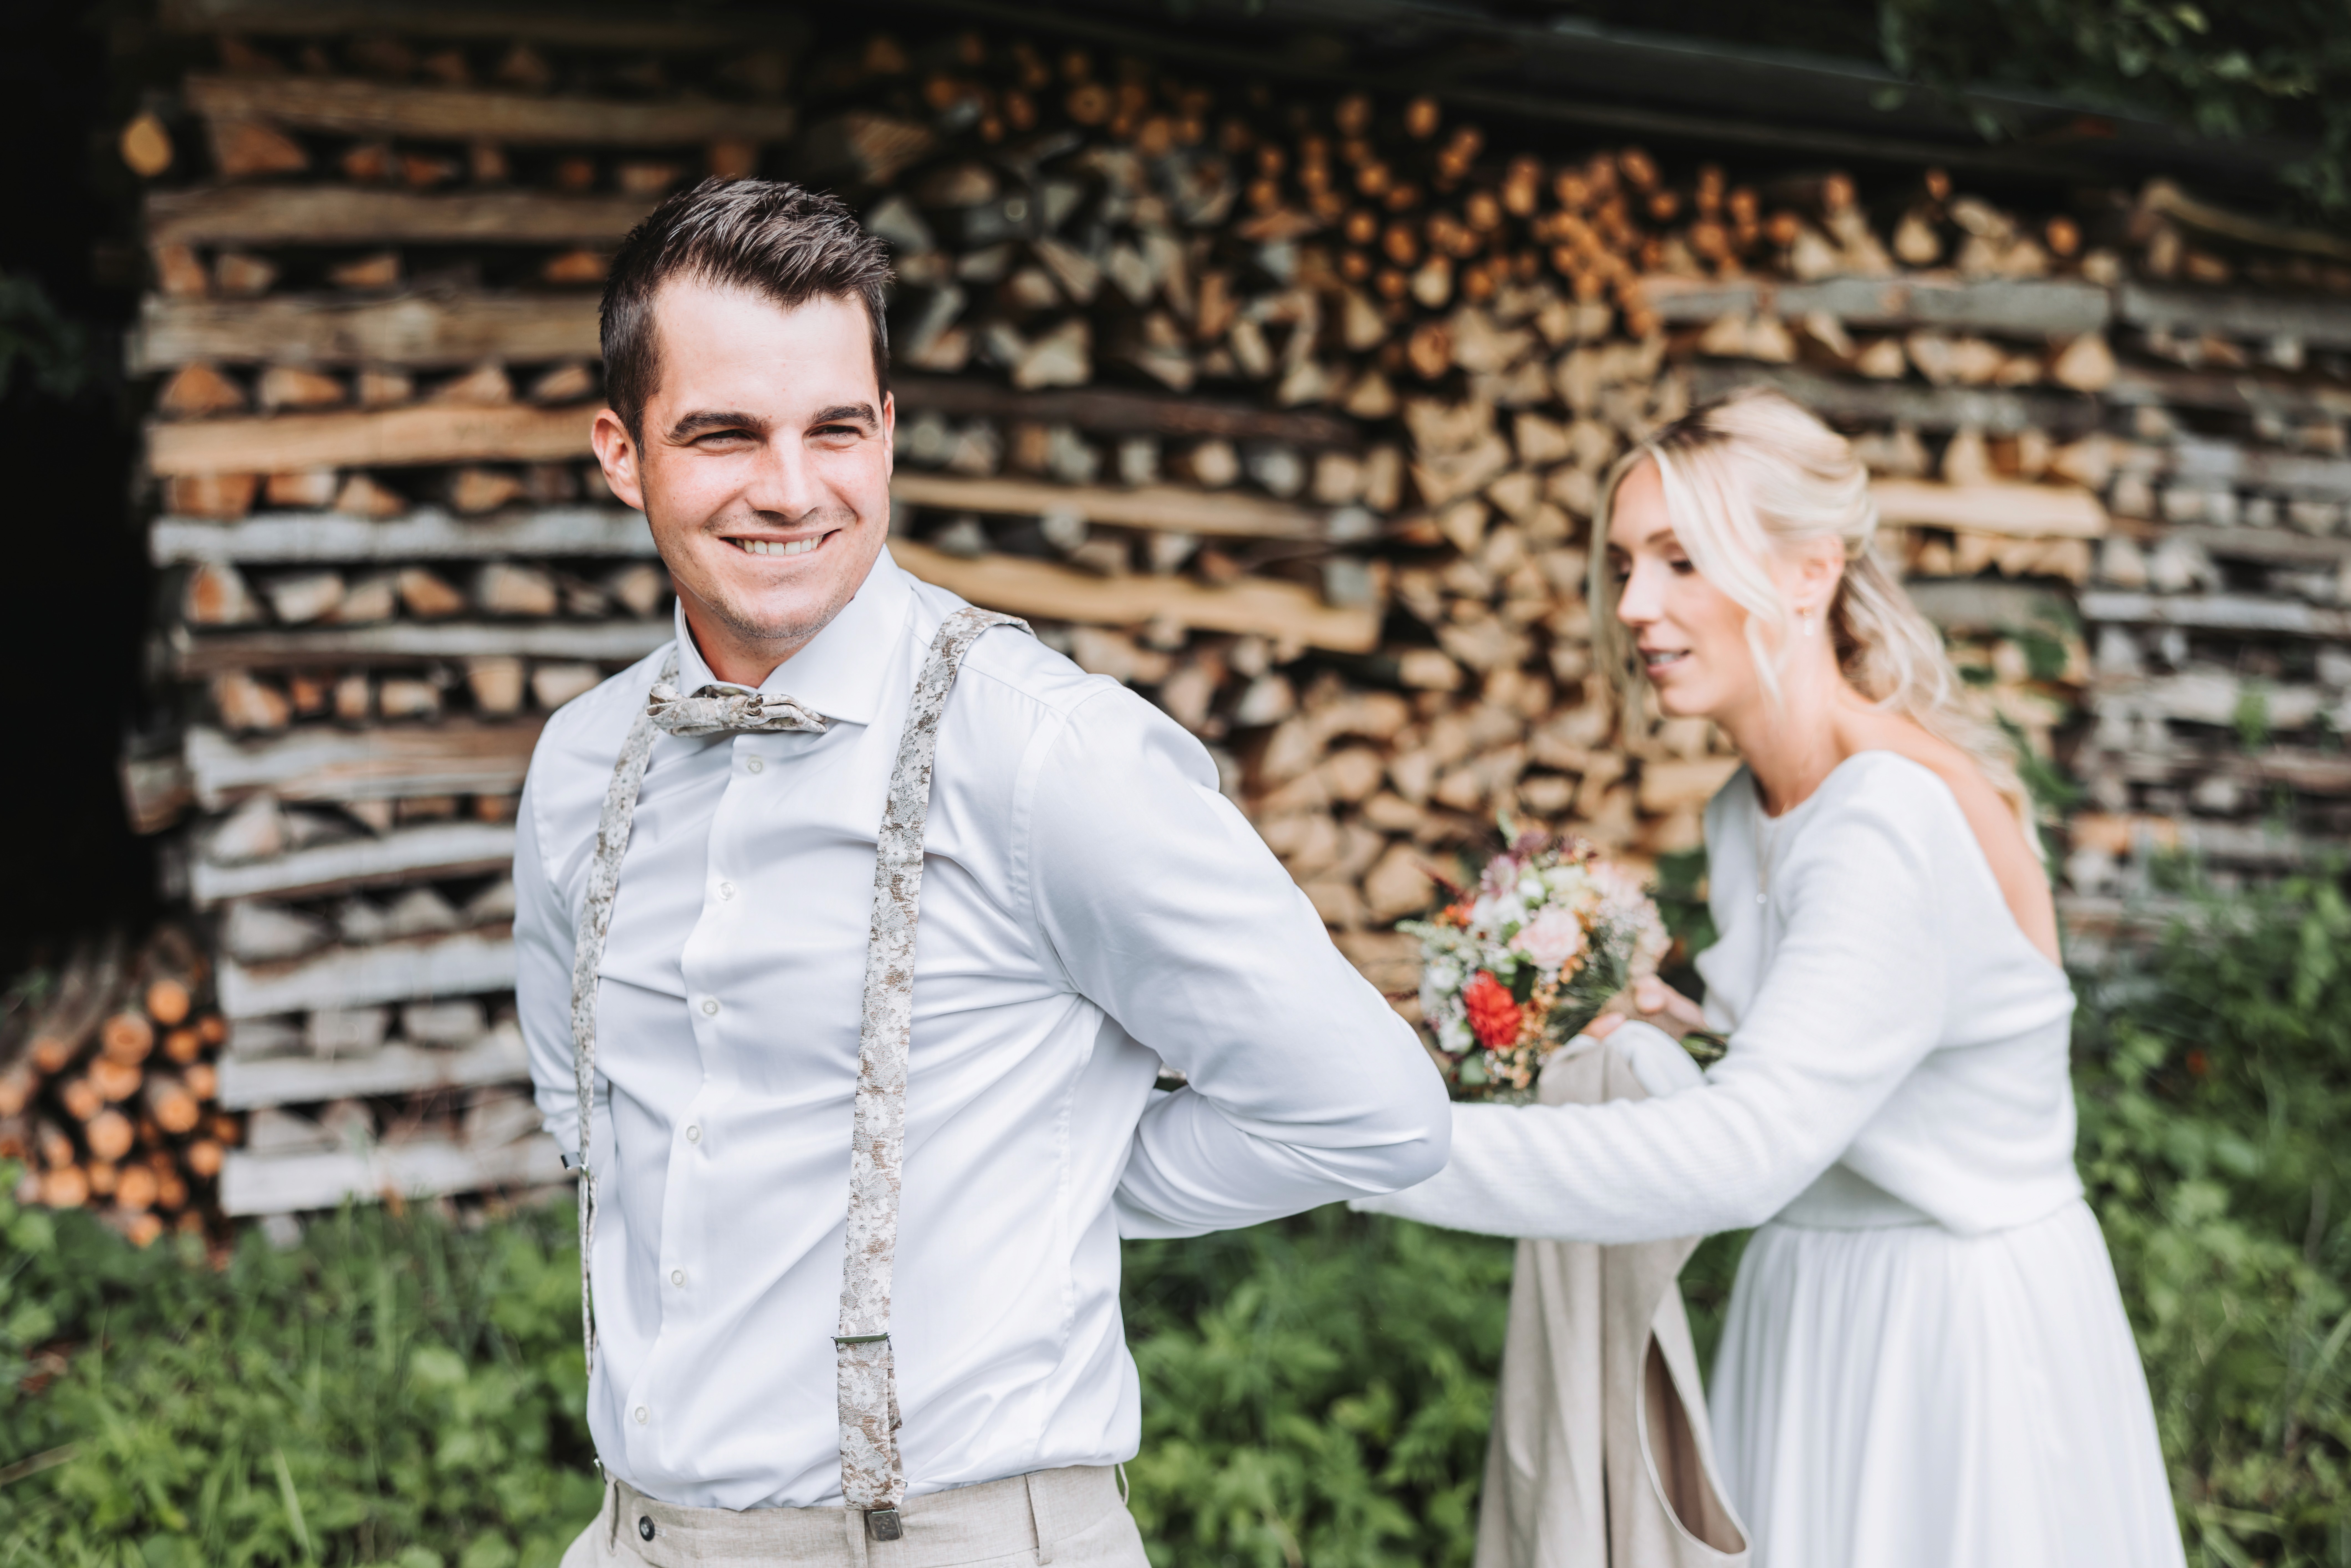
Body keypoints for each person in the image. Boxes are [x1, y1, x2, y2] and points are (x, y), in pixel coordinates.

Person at [515, 178, 1451, 1567]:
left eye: (837, 427)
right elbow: (590, 1115)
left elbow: (1371, 1111)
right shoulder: (581, 766)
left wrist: (1058, 1172)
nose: (790, 486)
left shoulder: (1045, 754)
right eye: (723, 434)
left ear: (889, 432)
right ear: (620, 449)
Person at [1358, 388, 2184, 1567]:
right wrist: (1664, 1027)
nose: (1636, 605)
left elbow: (1749, 1149)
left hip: (1943, 1331)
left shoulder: (1884, 820)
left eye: (1681, 559)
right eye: (1626, 564)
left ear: (1809, 574)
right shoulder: (1748, 811)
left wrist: (1365, 1144)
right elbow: (1838, 1062)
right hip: (1810, 1297)